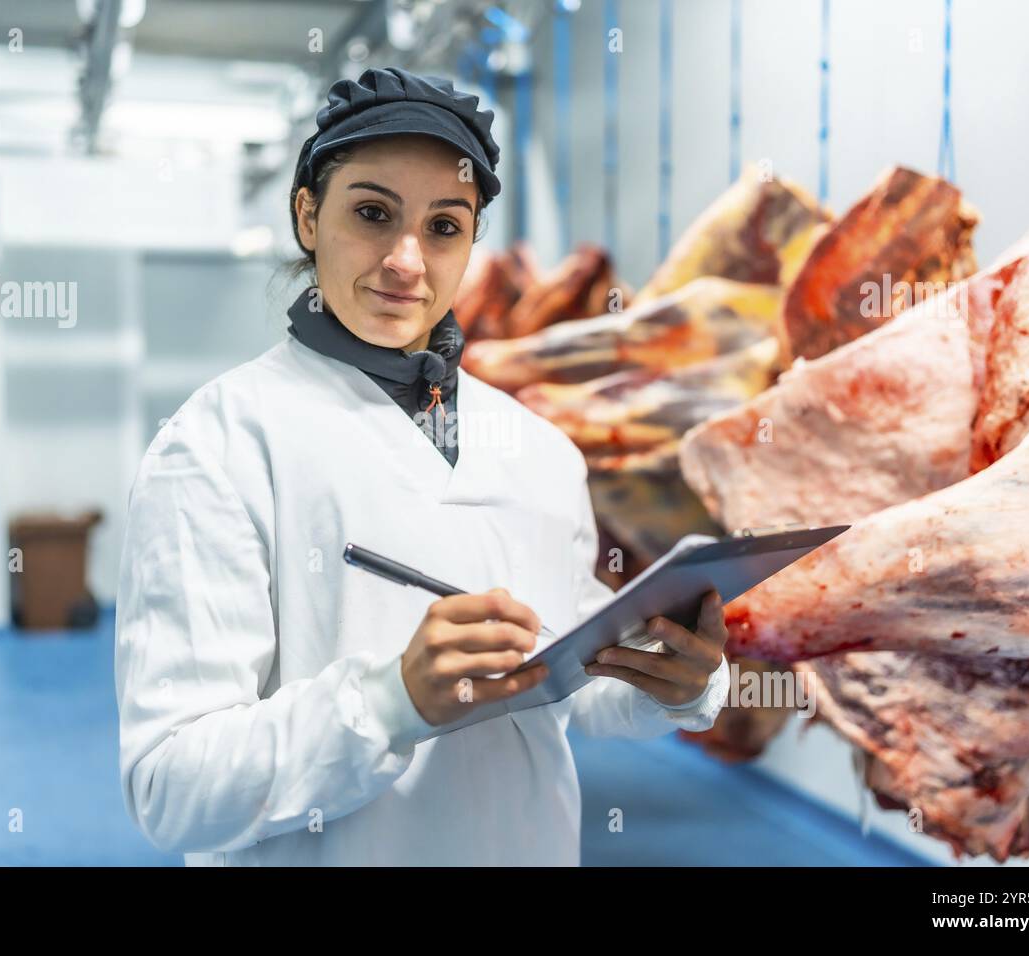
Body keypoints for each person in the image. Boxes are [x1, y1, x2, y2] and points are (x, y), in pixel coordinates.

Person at [114, 66, 730, 866]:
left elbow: (569, 689)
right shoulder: (218, 444)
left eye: (444, 226)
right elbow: (171, 789)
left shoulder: (537, 450)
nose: (406, 260)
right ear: (307, 215)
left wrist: (672, 684)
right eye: (372, 214)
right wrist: (390, 703)